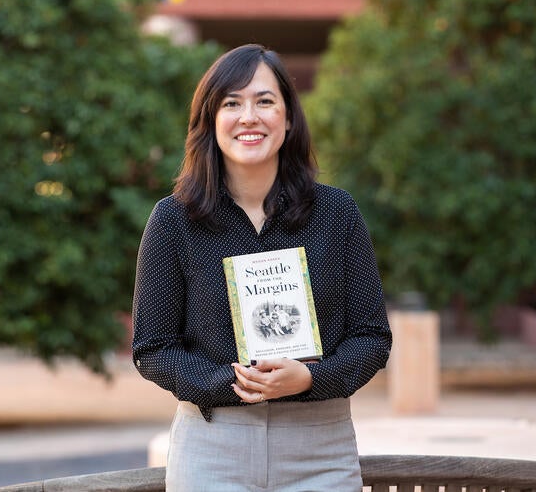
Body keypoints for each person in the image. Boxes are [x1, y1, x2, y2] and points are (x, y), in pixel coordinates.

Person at [132, 44, 392, 491]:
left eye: (264, 101)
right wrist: (226, 382)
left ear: (288, 119)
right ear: (210, 122)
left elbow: (372, 338)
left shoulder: (337, 213)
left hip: (320, 449)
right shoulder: (173, 220)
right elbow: (152, 348)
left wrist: (311, 377)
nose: (248, 117)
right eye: (231, 103)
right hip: (213, 449)